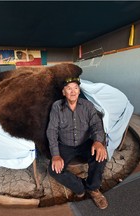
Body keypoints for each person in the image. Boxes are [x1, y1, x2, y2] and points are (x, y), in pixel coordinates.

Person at [46, 77, 108, 209]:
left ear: (79, 91)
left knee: (101, 157)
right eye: (69, 88)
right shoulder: (57, 107)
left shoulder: (87, 106)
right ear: (64, 92)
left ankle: (93, 188)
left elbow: (96, 124)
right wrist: (55, 155)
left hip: (84, 142)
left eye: (75, 88)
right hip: (65, 145)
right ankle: (79, 187)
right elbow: (51, 130)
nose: (73, 91)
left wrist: (98, 141)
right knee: (53, 170)